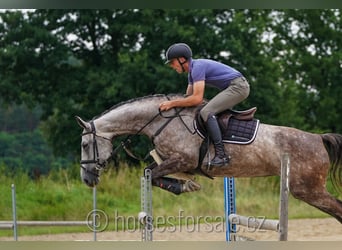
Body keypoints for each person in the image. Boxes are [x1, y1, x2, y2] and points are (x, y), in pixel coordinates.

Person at [159, 43, 250, 167]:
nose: (171, 65)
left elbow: (196, 99)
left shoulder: (197, 68)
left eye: (172, 62)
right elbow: (188, 98)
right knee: (201, 110)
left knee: (206, 112)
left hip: (238, 87)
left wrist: (172, 103)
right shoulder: (191, 73)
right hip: (233, 86)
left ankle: (221, 155)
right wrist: (173, 105)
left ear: (182, 59)